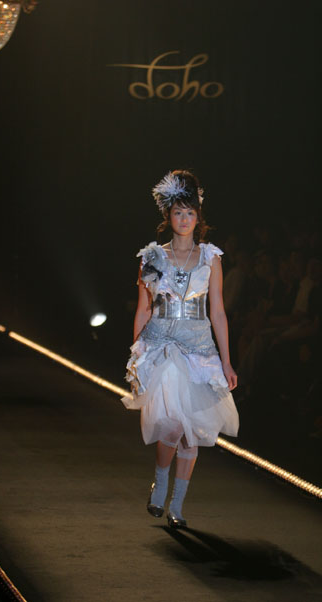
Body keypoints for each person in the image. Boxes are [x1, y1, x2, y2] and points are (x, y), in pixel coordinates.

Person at [121, 169, 239, 528]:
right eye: (178, 212)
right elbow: (144, 308)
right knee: (172, 426)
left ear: (198, 216)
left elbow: (218, 311)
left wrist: (227, 361)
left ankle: (177, 504)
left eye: (190, 213)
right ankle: (160, 483)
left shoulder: (211, 258)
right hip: (163, 347)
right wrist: (136, 355)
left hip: (199, 348)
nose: (184, 219)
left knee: (193, 432)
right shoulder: (152, 256)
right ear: (168, 215)